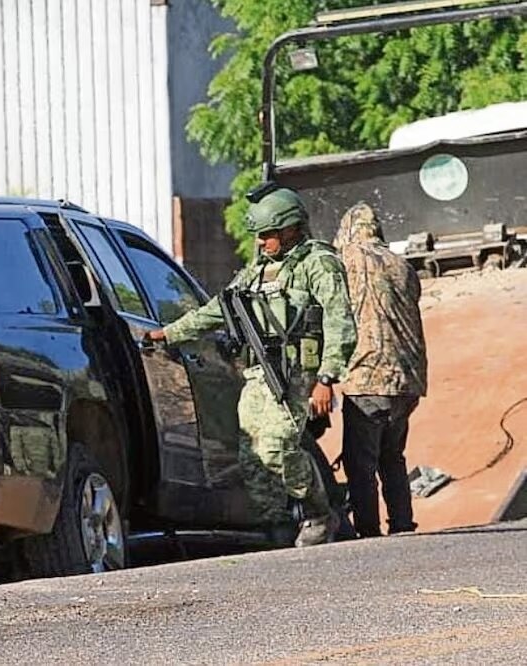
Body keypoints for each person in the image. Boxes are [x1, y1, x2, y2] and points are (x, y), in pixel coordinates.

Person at [146, 186, 357, 547]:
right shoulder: (255, 273)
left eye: (268, 235)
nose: (261, 243)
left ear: (291, 229)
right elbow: (215, 310)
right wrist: (167, 334)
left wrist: (327, 378)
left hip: (296, 375)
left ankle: (319, 513)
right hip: (258, 376)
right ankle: (276, 525)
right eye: (258, 236)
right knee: (251, 456)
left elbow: (340, 323)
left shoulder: (317, 264)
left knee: (279, 445)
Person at [333, 202, 427, 537]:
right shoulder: (403, 264)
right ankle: (402, 524)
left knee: (361, 463)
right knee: (393, 457)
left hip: (367, 376)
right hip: (407, 379)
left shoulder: (345, 261)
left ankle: (368, 533)